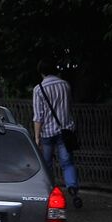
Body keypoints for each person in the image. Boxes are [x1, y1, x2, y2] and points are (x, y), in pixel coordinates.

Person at [33, 60, 82, 208]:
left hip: (47, 132)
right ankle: (72, 188)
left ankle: (49, 193)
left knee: (46, 164)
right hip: (65, 130)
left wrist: (37, 137)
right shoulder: (65, 85)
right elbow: (69, 106)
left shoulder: (38, 89)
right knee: (67, 163)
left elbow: (38, 116)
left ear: (41, 72)